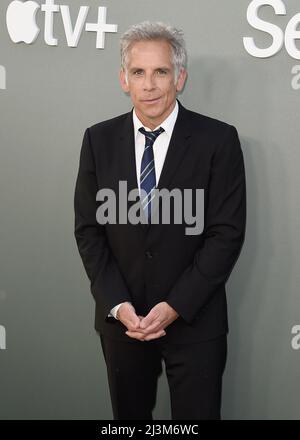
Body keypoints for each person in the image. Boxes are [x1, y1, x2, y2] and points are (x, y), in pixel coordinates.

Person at [74, 21, 246, 420]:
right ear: (123, 79)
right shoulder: (97, 140)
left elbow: (226, 234)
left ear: (180, 77)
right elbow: (89, 230)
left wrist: (175, 305)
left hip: (195, 321)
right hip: (124, 324)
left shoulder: (218, 140)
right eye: (138, 72)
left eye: (161, 72)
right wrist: (117, 304)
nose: (149, 84)